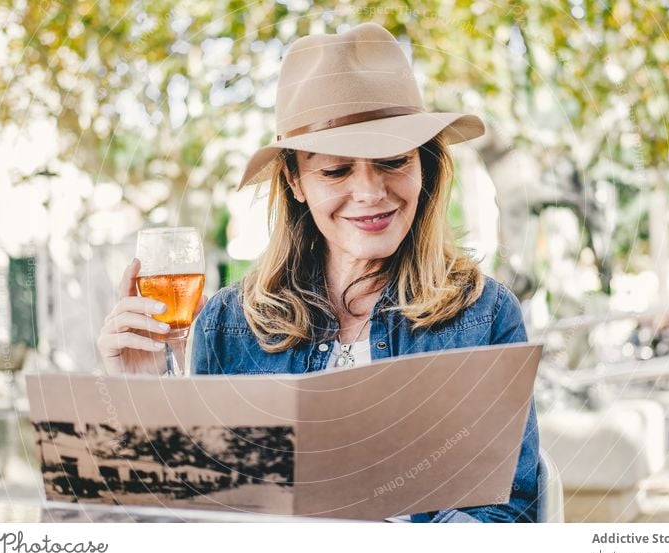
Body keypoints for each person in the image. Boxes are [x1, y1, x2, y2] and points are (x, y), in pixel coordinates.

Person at [97, 22, 539, 523]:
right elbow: (185, 517)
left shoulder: (484, 315)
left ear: (425, 167)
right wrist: (147, 393)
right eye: (336, 170)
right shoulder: (228, 323)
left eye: (393, 161)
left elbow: (507, 516)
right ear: (296, 181)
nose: (371, 192)